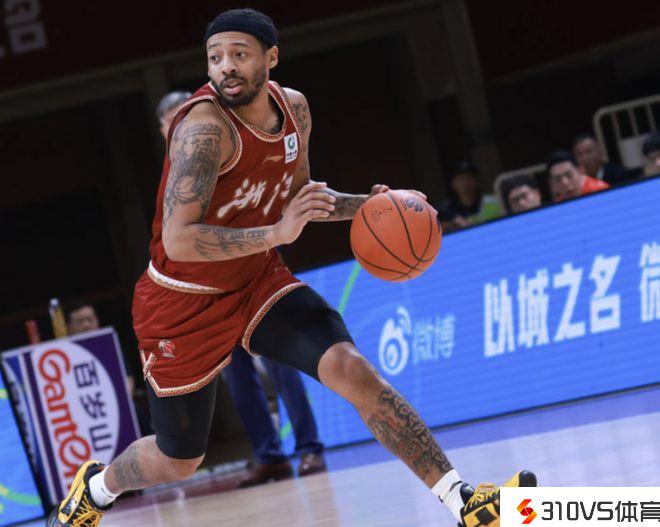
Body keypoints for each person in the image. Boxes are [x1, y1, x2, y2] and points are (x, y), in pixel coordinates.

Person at [48, 9, 535, 527]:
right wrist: (277, 235)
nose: (226, 67)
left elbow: (298, 198)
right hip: (181, 301)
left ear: (271, 57)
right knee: (178, 458)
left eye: (239, 55)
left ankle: (464, 503)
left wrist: (372, 206)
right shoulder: (203, 129)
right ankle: (96, 489)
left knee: (351, 368)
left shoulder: (294, 109)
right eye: (215, 57)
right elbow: (179, 239)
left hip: (256, 280)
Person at [157, 92, 327, 485]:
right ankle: (270, 456)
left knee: (283, 360)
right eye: (170, 122)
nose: (180, 125)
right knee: (237, 375)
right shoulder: (172, 171)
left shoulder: (219, 143)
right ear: (163, 129)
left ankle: (309, 447)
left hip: (254, 265)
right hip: (209, 286)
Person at [437, 161, 501, 232]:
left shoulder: (494, 201)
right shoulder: (445, 210)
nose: (466, 182)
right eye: (461, 178)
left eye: (470, 177)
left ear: (477, 181)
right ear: (453, 183)